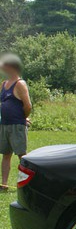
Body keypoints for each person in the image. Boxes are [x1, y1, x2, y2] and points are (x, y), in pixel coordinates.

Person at [0, 53, 31, 190]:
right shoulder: (3, 84)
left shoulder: (20, 84)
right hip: (4, 124)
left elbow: (28, 105)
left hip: (17, 124)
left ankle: (28, 183)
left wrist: (23, 118)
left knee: (21, 155)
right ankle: (4, 184)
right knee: (6, 154)